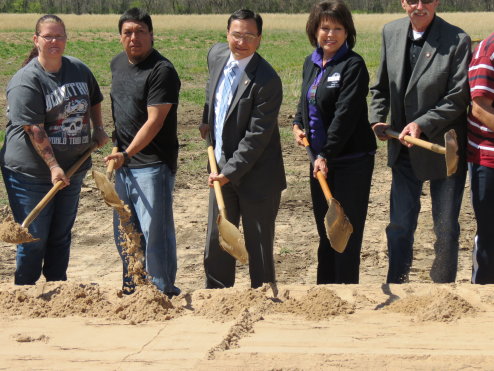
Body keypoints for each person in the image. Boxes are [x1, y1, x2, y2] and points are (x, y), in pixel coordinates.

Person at [0, 14, 108, 285]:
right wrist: (53, 167)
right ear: (36, 40)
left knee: (61, 233)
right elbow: (35, 130)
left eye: (59, 36)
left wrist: (99, 128)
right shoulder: (26, 80)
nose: (54, 41)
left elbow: (94, 98)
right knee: (34, 237)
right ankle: (25, 290)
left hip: (73, 166)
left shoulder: (79, 69)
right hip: (31, 172)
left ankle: (58, 287)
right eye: (48, 36)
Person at [370, 0, 471, 283]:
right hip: (403, 148)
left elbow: (458, 97)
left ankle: (443, 289)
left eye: (426, 0)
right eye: (412, 0)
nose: (419, 6)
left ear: (436, 2)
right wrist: (377, 118)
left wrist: (422, 124)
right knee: (400, 224)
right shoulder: (391, 32)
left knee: (446, 226)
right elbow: (379, 88)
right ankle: (398, 282)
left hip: (443, 147)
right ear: (403, 3)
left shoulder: (457, 40)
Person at [199, 9, 286, 289]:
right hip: (220, 168)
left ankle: (263, 300)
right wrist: (205, 121)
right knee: (218, 241)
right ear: (227, 34)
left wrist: (229, 172)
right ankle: (217, 299)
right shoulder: (216, 56)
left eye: (249, 35)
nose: (241, 41)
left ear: (259, 39)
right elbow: (211, 93)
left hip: (257, 176)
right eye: (237, 34)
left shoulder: (267, 81)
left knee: (258, 245)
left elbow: (256, 138)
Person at [292, 0, 376, 284]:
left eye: (338, 28)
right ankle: (324, 294)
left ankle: (347, 294)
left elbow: (346, 114)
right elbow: (306, 99)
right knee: (325, 231)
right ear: (314, 30)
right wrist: (297, 124)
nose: (331, 34)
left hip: (351, 162)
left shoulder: (353, 65)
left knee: (345, 232)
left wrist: (326, 153)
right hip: (318, 162)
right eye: (325, 27)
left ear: (347, 32)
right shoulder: (311, 62)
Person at [104, 8, 181, 297]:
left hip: (152, 165)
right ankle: (133, 286)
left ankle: (161, 292)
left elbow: (154, 121)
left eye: (140, 32)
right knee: (125, 230)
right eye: (127, 33)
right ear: (120, 37)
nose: (133, 38)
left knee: (155, 233)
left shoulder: (162, 71)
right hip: (123, 164)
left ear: (151, 35)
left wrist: (128, 153)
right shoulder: (116, 65)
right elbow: (120, 111)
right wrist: (117, 146)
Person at [467, 32, 494, 284]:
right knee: (490, 235)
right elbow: (479, 107)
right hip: (489, 157)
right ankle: (484, 296)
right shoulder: (489, 49)